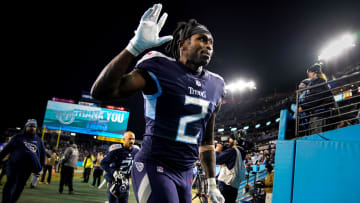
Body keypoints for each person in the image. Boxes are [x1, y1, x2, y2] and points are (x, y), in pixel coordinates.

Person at [91, 3, 225, 203]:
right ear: (182, 44)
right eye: (202, 39)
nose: (208, 46)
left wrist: (212, 182)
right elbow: (102, 91)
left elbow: (206, 142)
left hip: (186, 172)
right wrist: (133, 48)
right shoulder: (159, 67)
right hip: (155, 165)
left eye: (211, 43)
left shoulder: (216, 84)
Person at [0, 119, 45, 203]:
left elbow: (42, 155)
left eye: (34, 126)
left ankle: (12, 201)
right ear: (26, 127)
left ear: (36, 128)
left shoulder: (39, 141)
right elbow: (6, 150)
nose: (32, 128)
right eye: (30, 126)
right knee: (10, 183)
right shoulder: (17, 137)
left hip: (27, 169)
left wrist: (40, 166)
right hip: (13, 166)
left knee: (19, 187)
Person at [100, 131, 139, 203]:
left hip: (126, 183)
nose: (132, 141)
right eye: (129, 139)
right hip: (114, 182)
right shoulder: (117, 150)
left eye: (133, 139)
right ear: (124, 139)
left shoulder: (136, 151)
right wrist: (113, 172)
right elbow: (103, 163)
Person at [299, 63, 334, 134]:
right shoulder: (317, 82)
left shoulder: (319, 82)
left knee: (319, 140)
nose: (309, 75)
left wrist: (303, 107)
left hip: (320, 115)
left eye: (310, 73)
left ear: (315, 73)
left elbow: (314, 97)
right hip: (317, 115)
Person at [215, 133, 246, 203]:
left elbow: (216, 160)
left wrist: (217, 150)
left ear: (235, 141)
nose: (229, 140)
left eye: (230, 139)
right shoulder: (241, 152)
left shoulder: (233, 151)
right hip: (234, 186)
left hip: (226, 185)